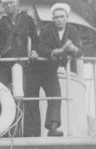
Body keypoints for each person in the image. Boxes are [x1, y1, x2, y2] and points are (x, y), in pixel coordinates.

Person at [0, 0, 40, 137]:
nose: (9, 6)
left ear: (17, 3)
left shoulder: (26, 19)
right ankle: (4, 132)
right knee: (2, 95)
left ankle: (29, 134)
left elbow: (35, 38)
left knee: (26, 96)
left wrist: (34, 51)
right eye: (6, 4)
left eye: (11, 2)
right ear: (3, 6)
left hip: (22, 64)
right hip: (5, 65)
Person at [35, 3, 82, 137]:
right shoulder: (46, 30)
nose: (59, 20)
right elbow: (41, 48)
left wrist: (72, 48)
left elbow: (80, 51)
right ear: (52, 18)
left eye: (62, 17)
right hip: (42, 68)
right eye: (56, 17)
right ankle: (37, 131)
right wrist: (59, 51)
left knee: (56, 96)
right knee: (42, 97)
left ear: (67, 17)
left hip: (58, 70)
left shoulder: (72, 31)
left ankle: (53, 128)